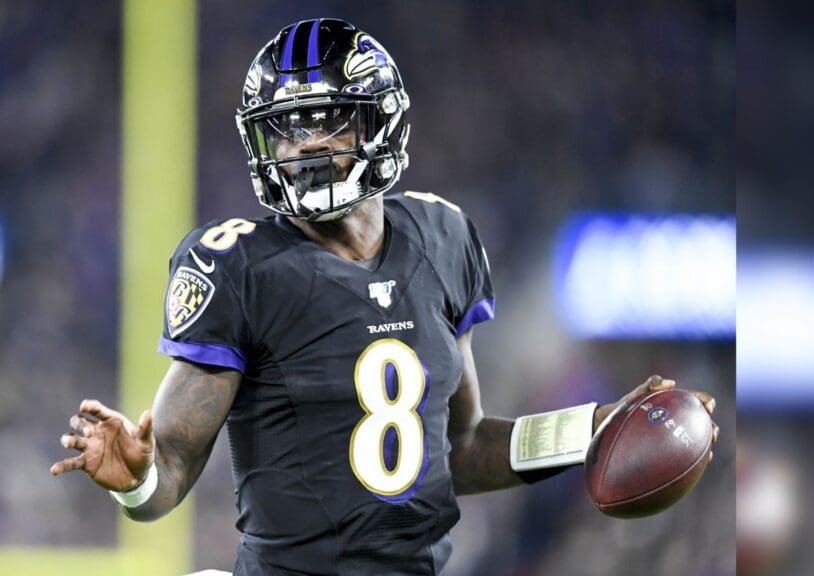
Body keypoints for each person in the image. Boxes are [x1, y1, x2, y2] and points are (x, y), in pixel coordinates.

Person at [51, 18, 719, 575]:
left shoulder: (443, 236)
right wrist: (135, 478)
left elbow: (458, 449)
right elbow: (166, 469)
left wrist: (591, 429)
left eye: (327, 123)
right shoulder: (238, 262)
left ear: (380, 124)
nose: (304, 145)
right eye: (285, 129)